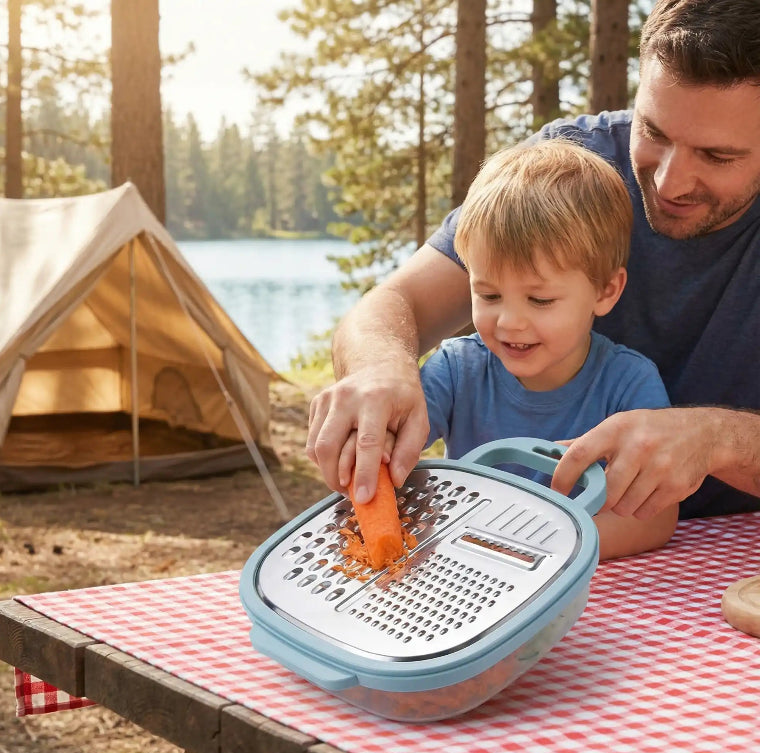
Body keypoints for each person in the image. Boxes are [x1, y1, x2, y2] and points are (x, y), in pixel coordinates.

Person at [306, 0, 760, 526]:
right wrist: (382, 370)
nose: (668, 182)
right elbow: (391, 305)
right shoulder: (571, 172)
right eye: (653, 133)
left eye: (717, 156)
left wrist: (721, 439)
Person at [419, 139, 678, 558]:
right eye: (488, 295)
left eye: (540, 300)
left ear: (606, 290)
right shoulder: (454, 370)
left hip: (579, 587)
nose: (509, 322)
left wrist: (538, 547)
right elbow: (391, 458)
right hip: (464, 575)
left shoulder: (629, 384)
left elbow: (656, 518)